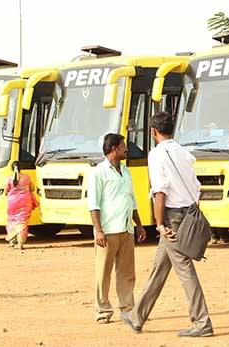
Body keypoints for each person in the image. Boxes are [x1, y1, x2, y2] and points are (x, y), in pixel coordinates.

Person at [121, 112, 213, 337]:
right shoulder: (184, 153)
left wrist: (159, 224)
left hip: (172, 216)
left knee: (184, 269)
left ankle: (202, 322)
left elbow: (159, 190)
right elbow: (196, 187)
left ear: (153, 132)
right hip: (188, 212)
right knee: (159, 268)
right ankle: (137, 316)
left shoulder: (156, 155)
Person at [87, 133, 146, 324]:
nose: (126, 149)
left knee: (127, 273)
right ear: (114, 149)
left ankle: (127, 308)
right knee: (103, 273)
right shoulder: (98, 173)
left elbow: (132, 200)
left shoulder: (126, 171)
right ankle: (103, 310)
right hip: (108, 230)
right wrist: (99, 230)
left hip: (126, 229)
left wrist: (139, 225)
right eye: (123, 146)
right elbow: (94, 205)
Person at [4, 162, 40, 251]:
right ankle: (20, 242)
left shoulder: (9, 179)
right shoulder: (27, 177)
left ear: (12, 168)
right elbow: (32, 189)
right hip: (25, 201)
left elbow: (5, 192)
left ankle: (12, 241)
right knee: (22, 221)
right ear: (21, 168)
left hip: (12, 202)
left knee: (12, 220)